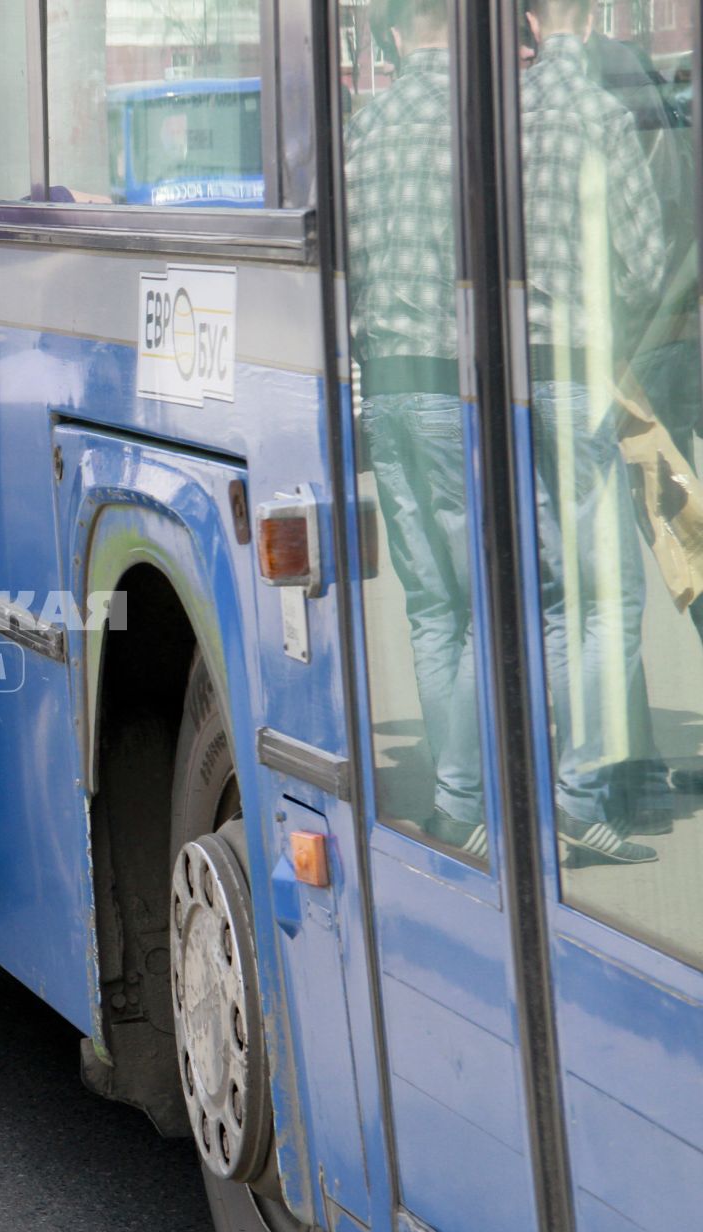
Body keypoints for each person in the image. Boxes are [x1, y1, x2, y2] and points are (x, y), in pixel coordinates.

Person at [520, 0, 669, 866]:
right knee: (610, 598)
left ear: (535, 24)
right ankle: (582, 792)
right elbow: (648, 261)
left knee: (557, 598)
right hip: (583, 373)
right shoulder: (603, 116)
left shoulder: (514, 116)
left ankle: (560, 785)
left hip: (516, 385)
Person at [343, 0, 485, 857]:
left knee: (433, 605)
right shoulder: (472, 122)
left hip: (385, 394)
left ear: (394, 35)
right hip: (451, 392)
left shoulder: (368, 127)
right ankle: (491, 792)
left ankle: (455, 796)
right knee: (488, 600)